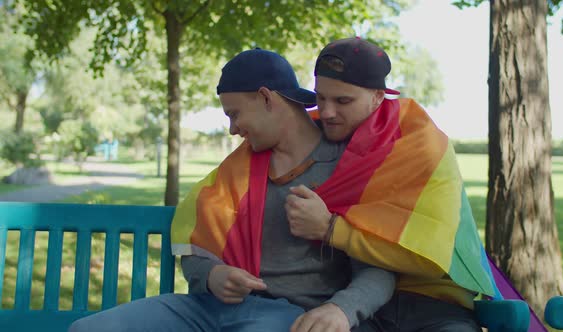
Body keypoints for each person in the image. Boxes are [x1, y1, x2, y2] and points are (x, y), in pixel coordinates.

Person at [69, 48, 394, 332]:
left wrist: (342, 309)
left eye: (234, 114)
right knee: (87, 328)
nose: (231, 129)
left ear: (267, 98)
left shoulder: (348, 168)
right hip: (207, 310)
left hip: (287, 316)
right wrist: (212, 275)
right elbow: (195, 247)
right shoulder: (234, 173)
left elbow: (380, 263)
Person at [284, 37, 500, 332]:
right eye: (321, 98)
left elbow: (431, 257)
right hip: (361, 304)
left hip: (437, 305)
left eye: (343, 100)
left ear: (377, 96)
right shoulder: (312, 135)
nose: (328, 111)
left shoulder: (421, 145)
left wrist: (330, 229)